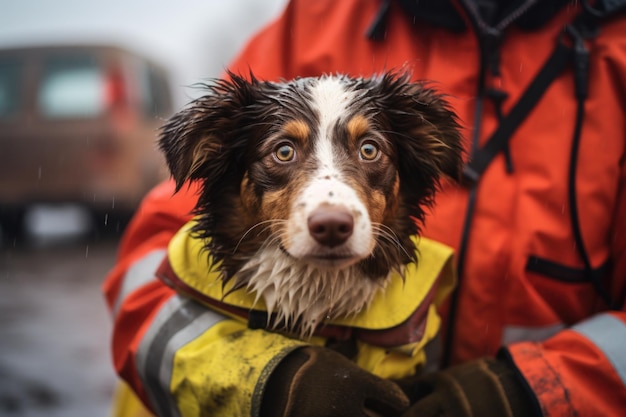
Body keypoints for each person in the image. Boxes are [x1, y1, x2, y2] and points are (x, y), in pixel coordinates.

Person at [103, 0, 626, 416]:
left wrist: (529, 392)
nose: (331, 205)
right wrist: (265, 381)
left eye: (369, 150)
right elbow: (147, 273)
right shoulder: (319, 13)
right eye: (283, 151)